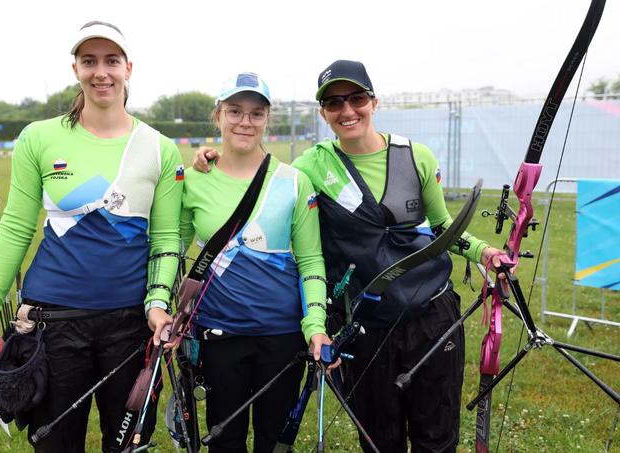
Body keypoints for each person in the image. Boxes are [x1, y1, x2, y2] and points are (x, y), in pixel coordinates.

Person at [193, 60, 504, 452]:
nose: (347, 111)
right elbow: (264, 178)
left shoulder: (416, 156)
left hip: (431, 315)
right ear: (323, 113)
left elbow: (442, 228)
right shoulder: (311, 166)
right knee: (378, 440)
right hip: (365, 323)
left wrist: (484, 252)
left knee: (437, 437)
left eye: (356, 98)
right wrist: (210, 158)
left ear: (374, 102)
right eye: (334, 103)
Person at [0, 21, 183, 452]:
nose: (101, 72)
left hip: (130, 322)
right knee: (56, 444)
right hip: (54, 322)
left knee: (127, 445)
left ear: (128, 69)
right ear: (76, 69)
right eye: (89, 61)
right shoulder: (39, 137)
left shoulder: (160, 148)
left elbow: (166, 239)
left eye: (111, 61)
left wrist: (158, 305)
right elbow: (15, 226)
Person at [181, 72, 332, 453]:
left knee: (274, 440)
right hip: (218, 334)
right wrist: (163, 306)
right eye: (234, 111)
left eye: (256, 113)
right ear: (217, 115)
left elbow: (312, 260)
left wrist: (315, 325)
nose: (245, 122)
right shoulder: (193, 179)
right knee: (224, 441)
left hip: (280, 337)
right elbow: (173, 248)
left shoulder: (295, 181)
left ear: (268, 119)